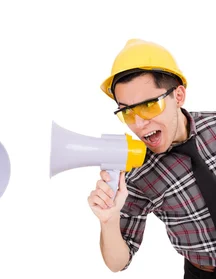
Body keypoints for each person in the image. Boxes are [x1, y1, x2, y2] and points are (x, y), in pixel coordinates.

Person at [88, 38, 216, 278]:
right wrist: (108, 219)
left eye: (148, 105)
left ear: (178, 96)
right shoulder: (137, 175)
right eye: (127, 110)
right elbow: (118, 262)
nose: (138, 123)